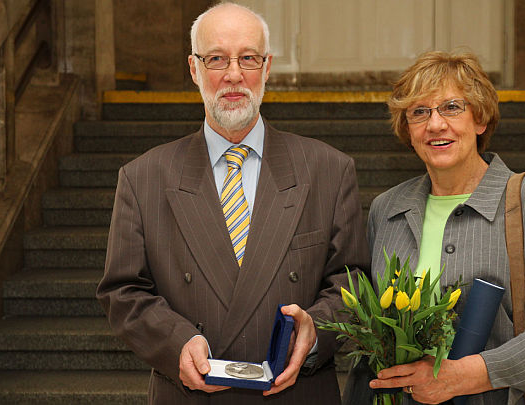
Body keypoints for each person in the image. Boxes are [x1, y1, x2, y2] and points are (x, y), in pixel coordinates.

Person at [96, 3, 370, 404]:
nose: (234, 74)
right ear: (194, 69)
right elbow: (123, 292)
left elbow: (353, 282)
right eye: (217, 59)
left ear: (267, 67)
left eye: (248, 58)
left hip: (297, 393)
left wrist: (317, 329)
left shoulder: (329, 169)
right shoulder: (143, 178)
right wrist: (177, 342)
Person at [345, 51, 525, 405]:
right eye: (419, 112)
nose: (435, 124)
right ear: (408, 130)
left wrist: (468, 375)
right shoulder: (387, 209)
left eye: (451, 107)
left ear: (480, 119)